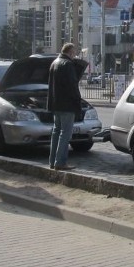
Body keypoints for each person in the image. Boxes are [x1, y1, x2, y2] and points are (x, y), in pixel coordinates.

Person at [47, 43, 83, 171]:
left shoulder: (54, 62)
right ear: (70, 52)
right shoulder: (67, 64)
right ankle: (60, 162)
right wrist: (77, 101)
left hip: (56, 104)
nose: (74, 55)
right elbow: (72, 86)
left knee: (56, 132)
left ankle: (52, 161)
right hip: (67, 104)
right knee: (65, 134)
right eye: (74, 52)